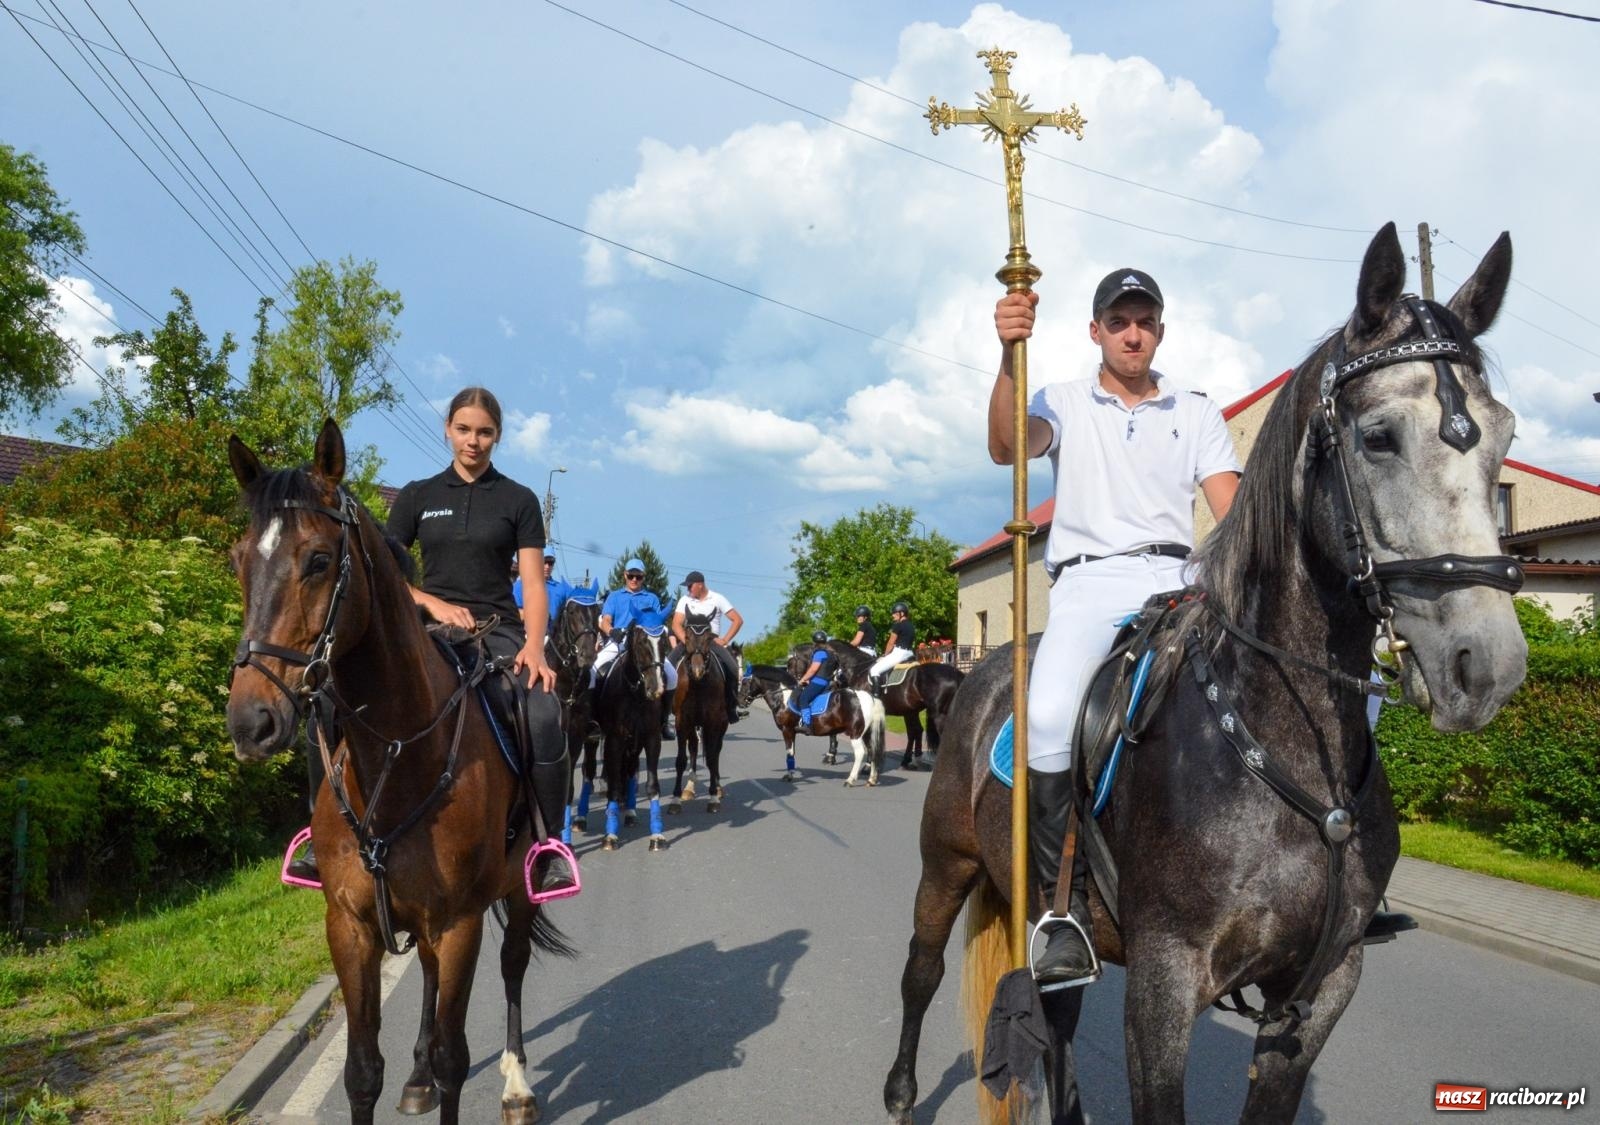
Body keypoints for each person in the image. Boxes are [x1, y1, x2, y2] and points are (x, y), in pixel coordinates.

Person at [991, 269, 1245, 985]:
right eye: (1118, 319)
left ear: (1159, 330)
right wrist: (1009, 351)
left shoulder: (1195, 411)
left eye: (1145, 320)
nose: (1132, 332)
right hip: (1091, 579)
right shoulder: (1064, 401)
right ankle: (1057, 908)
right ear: (1095, 329)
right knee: (1046, 714)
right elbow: (1009, 446)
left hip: (1181, 578)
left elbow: (1237, 515)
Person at [373, 386, 570, 888]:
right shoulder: (417, 495)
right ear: (448, 430)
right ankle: (321, 834)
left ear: (497, 436)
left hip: (497, 630)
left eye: (484, 432)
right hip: (425, 630)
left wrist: (534, 644)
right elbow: (387, 573)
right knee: (332, 696)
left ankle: (547, 847)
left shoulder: (519, 500)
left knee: (544, 710)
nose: (473, 441)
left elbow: (532, 582)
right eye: (463, 429)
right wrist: (432, 603)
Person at [593, 558, 678, 694]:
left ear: (643, 577)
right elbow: (605, 621)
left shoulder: (652, 599)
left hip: (646, 643)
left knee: (673, 676)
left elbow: (657, 623)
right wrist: (612, 631)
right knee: (594, 670)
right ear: (625, 575)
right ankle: (594, 711)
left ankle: (664, 713)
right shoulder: (614, 597)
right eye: (631, 575)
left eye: (638, 576)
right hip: (620, 640)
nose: (634, 579)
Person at [669, 570, 744, 720]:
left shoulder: (718, 599)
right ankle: (664, 711)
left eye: (690, 586)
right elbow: (676, 624)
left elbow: (737, 620)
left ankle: (731, 707)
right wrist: (686, 641)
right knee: (667, 667)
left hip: (711, 641)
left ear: (700, 585)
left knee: (733, 668)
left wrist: (724, 640)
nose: (688, 589)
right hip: (689, 641)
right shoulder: (685, 600)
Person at [792, 629, 837, 731]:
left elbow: (813, 669)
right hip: (828, 682)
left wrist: (803, 679)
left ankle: (807, 725)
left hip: (818, 682)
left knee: (803, 698)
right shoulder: (831, 654)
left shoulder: (819, 653)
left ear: (814, 642)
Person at [867, 602, 915, 693]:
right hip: (910, 653)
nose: (893, 615)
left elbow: (891, 643)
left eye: (895, 613)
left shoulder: (898, 625)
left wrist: (885, 655)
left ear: (902, 613)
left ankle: (876, 694)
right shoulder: (911, 625)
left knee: (874, 670)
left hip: (899, 654)